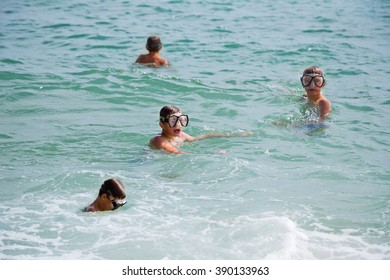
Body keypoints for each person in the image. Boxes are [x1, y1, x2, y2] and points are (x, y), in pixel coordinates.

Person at [149, 105, 251, 154]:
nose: (178, 124)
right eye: (173, 121)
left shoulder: (181, 136)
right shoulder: (159, 140)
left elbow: (201, 138)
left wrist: (230, 135)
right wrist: (212, 154)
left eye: (181, 120)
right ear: (162, 124)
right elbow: (176, 152)